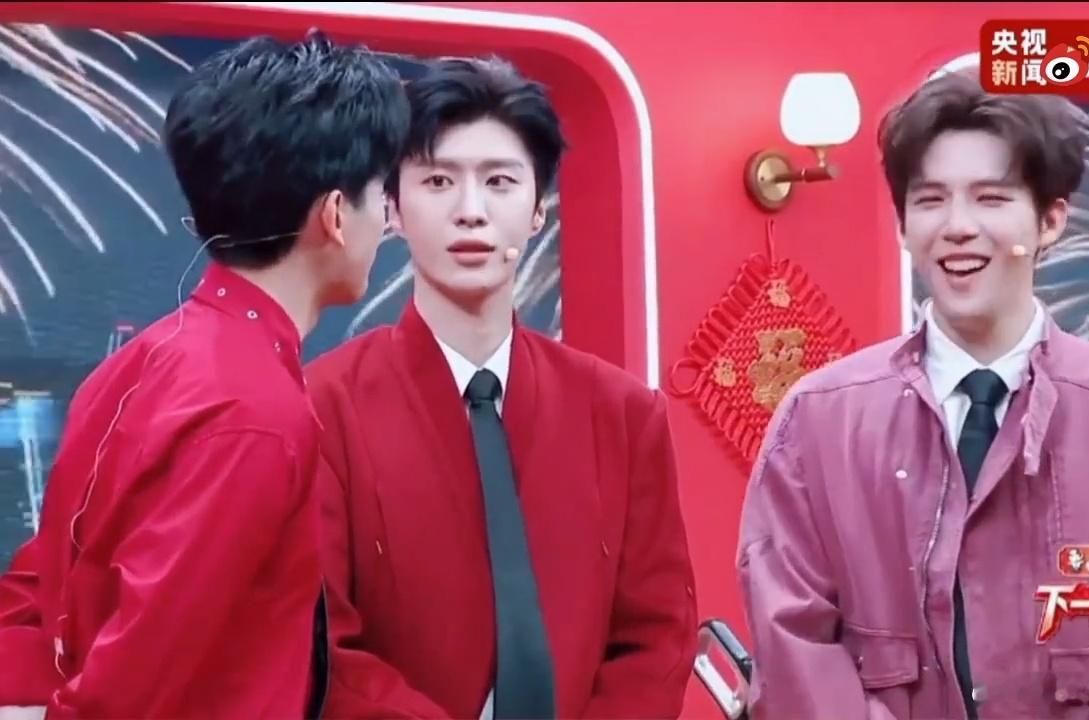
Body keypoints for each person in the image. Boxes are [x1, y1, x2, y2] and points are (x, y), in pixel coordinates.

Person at [736, 72, 1089, 719]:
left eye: (991, 198)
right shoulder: (819, 421)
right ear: (903, 226)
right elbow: (794, 644)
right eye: (930, 200)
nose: (958, 226)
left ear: (1051, 219)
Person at [0, 30, 408, 718]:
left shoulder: (143, 361)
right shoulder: (254, 413)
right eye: (381, 195)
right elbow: (138, 681)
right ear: (337, 215)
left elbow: (52, 587)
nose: (390, 220)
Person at [305, 56, 698, 719]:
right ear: (393, 209)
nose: (471, 212)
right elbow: (327, 649)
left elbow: (658, 634)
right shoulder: (324, 408)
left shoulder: (622, 413)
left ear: (538, 209)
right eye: (438, 181)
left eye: (500, 182)